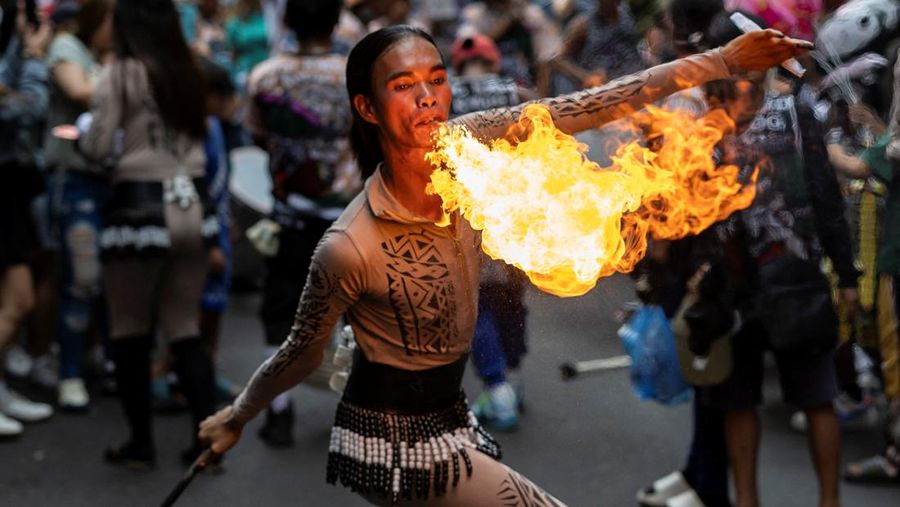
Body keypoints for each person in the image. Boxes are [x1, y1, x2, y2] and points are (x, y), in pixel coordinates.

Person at [198, 23, 812, 505]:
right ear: (366, 107)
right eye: (402, 85)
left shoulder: (471, 141)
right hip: (392, 442)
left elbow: (591, 105)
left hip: (450, 421)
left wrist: (722, 61)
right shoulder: (349, 244)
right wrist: (236, 415)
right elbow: (301, 350)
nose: (428, 98)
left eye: (435, 79)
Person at [79, 0, 218, 468]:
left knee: (129, 328)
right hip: (193, 206)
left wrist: (83, 141)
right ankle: (208, 441)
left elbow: (98, 145)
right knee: (184, 327)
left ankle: (141, 442)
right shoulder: (192, 72)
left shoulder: (121, 73)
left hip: (138, 209)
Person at [244, 0, 361, 448]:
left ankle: (279, 413)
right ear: (336, 20)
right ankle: (358, 415)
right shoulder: (356, 75)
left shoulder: (267, 75)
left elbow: (255, 131)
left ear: (289, 20)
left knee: (281, 317)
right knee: (357, 317)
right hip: (348, 219)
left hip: (291, 215)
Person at [448, 33, 533, 432]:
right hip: (515, 214)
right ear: (494, 61)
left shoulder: (443, 96)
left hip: (466, 219)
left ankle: (498, 391)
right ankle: (511, 381)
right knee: (511, 301)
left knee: (476, 305)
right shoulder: (516, 94)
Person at [44, 0, 115, 412]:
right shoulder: (67, 48)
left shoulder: (109, 57)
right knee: (80, 279)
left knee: (110, 283)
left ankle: (103, 361)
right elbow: (81, 91)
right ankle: (69, 372)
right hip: (75, 179)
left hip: (110, 179)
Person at [0, 0, 54, 438]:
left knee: (15, 300)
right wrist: (34, 58)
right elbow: (28, 108)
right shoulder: (17, 52)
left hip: (12, 184)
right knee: (18, 301)